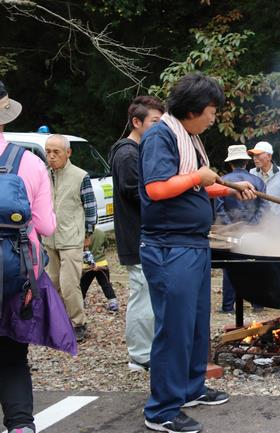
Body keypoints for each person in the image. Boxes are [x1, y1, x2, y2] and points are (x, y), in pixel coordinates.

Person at [139, 72, 255, 433]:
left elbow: (191, 188)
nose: (213, 117)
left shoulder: (188, 137)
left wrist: (228, 190)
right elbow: (158, 188)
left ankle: (189, 388)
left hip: (192, 243)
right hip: (169, 246)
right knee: (174, 328)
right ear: (194, 108)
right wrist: (199, 179)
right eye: (211, 111)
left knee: (194, 323)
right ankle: (161, 411)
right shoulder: (161, 135)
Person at [0, 80, 75, 433]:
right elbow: (45, 226)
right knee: (13, 357)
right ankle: (20, 426)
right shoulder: (28, 162)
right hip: (14, 277)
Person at [108, 95, 163, 372]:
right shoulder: (127, 153)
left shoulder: (138, 151)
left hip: (144, 236)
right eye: (154, 122)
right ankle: (140, 355)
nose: (159, 127)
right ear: (137, 122)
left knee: (148, 295)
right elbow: (135, 192)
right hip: (136, 236)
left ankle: (148, 350)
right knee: (142, 295)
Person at [43, 134, 97, 342]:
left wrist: (88, 233)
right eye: (48, 152)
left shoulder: (80, 176)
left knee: (69, 284)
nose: (51, 156)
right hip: (49, 238)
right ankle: (58, 322)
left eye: (56, 152)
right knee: (52, 282)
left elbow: (90, 208)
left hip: (72, 238)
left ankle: (78, 323)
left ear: (68, 153)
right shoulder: (44, 174)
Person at [215, 145, 268, 313]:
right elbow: (264, 206)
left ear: (230, 164)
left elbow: (219, 208)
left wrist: (230, 225)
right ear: (246, 162)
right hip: (255, 229)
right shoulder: (258, 181)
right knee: (255, 265)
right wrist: (254, 224)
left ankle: (228, 306)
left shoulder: (223, 182)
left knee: (230, 266)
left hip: (230, 232)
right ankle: (257, 304)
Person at [248, 141, 280, 215]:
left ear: (269, 156)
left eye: (258, 155)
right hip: (258, 220)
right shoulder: (252, 173)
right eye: (254, 155)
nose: (255, 158)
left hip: (277, 221)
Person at [81, 227, 118, 311]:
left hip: (87, 266)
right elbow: (106, 245)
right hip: (102, 263)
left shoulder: (82, 233)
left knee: (83, 285)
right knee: (106, 284)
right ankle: (113, 302)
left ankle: (80, 302)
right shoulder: (101, 233)